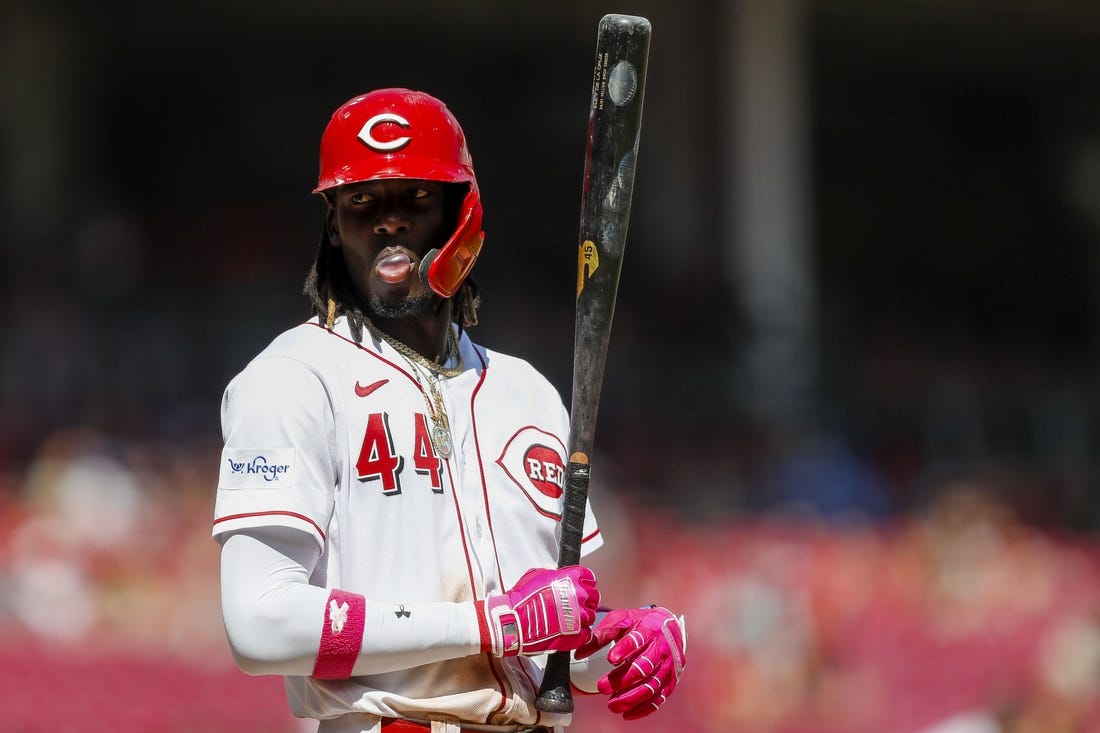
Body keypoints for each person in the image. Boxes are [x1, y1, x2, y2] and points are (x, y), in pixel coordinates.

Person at [212, 88, 686, 733]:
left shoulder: (526, 392)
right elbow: (259, 625)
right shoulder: (293, 377)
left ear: (463, 214)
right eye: (362, 201)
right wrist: (493, 623)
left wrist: (616, 638)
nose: (388, 221)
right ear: (334, 226)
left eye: (416, 198)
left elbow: (543, 642)